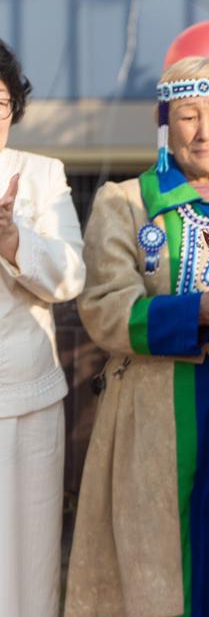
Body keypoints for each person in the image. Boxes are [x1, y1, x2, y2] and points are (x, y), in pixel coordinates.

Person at [65, 57, 209, 616]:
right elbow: (104, 310)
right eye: (188, 116)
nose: (205, 131)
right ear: (165, 124)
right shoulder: (125, 202)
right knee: (159, 564)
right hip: (155, 412)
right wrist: (201, 310)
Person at [0, 40, 86, 617]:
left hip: (26, 397)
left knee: (27, 569)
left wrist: (13, 241)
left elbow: (70, 276)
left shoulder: (39, 174)